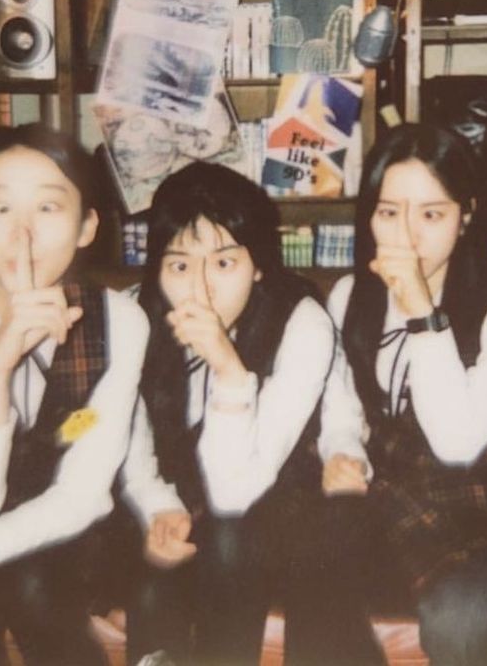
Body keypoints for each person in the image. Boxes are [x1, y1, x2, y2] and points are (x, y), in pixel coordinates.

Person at [284, 123, 487, 665]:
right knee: (311, 546)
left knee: (462, 610)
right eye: (388, 213)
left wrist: (424, 311)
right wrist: (343, 452)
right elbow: (343, 403)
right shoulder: (353, 294)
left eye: (432, 214)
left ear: (466, 214)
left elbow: (458, 442)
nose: (406, 236)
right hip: (384, 498)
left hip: (477, 509)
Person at [0, 123, 149, 666]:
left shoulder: (120, 322)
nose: (22, 235)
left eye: (48, 208)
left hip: (58, 528)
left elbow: (81, 492)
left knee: (35, 587)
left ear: (87, 225)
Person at [117, 161, 335, 665]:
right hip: (169, 502)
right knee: (153, 588)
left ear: (258, 265)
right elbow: (131, 448)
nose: (201, 290)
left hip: (271, 509)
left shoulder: (302, 322)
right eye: (179, 266)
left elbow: (236, 490)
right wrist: (158, 507)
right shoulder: (133, 313)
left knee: (232, 543)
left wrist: (228, 368)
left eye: (223, 263)